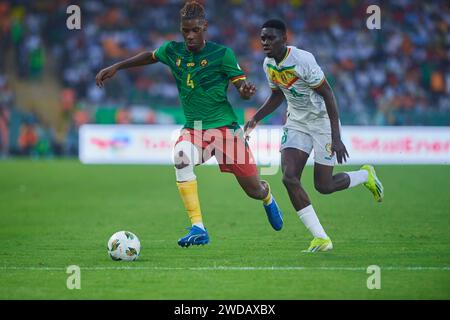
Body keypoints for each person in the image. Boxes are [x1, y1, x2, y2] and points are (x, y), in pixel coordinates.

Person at [95, 1, 283, 248]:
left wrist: (246, 91)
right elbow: (149, 56)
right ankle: (198, 228)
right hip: (194, 128)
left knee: (253, 189)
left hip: (226, 130)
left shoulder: (222, 54)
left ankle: (267, 195)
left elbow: (241, 87)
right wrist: (117, 66)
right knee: (181, 156)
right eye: (186, 31)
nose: (190, 36)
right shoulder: (173, 51)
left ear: (204, 27)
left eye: (195, 30)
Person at [244, 19, 384, 252]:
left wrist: (336, 137)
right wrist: (256, 119)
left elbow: (328, 95)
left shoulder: (302, 60)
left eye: (271, 38)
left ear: (284, 39)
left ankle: (364, 176)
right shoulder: (268, 64)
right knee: (289, 177)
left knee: (324, 185)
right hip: (296, 122)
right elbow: (278, 95)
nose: (265, 42)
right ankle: (321, 237)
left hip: (322, 122)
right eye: (263, 38)